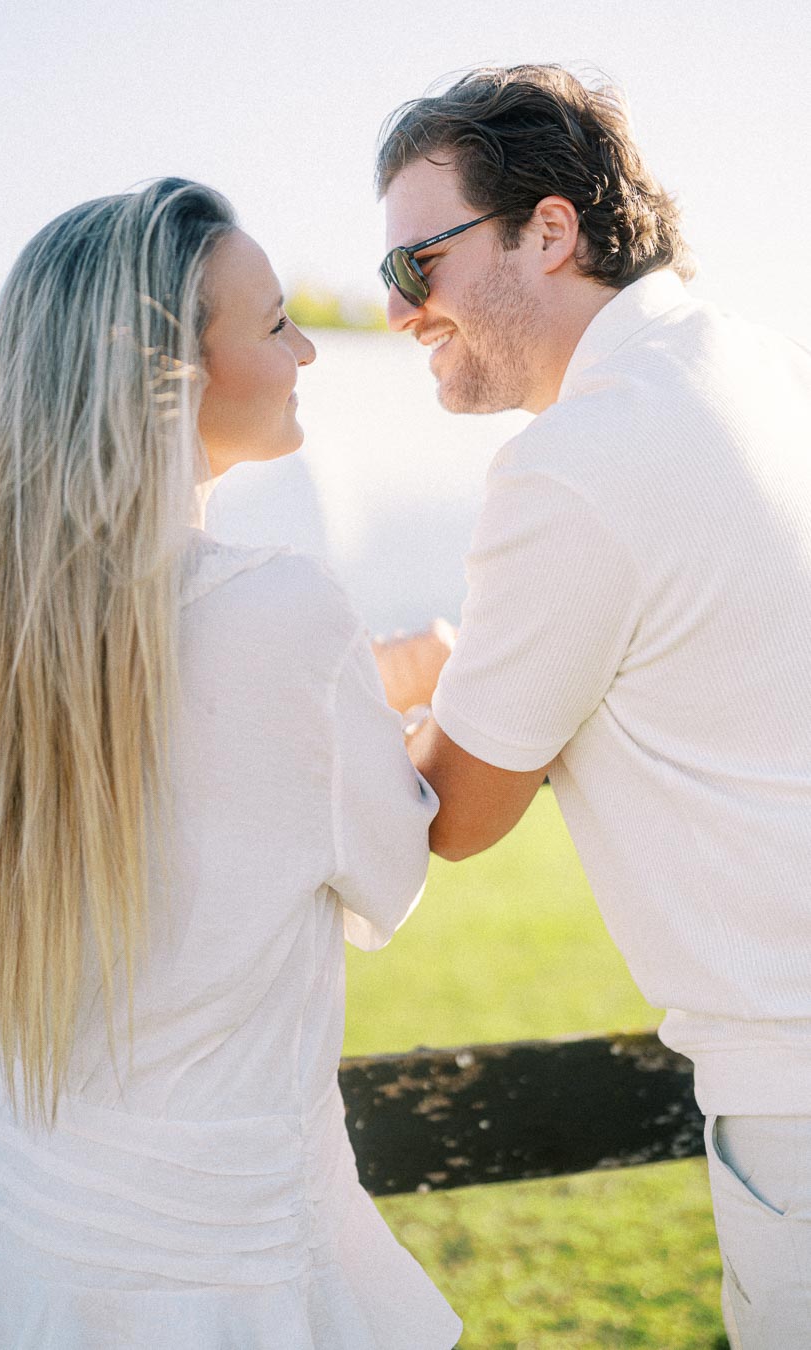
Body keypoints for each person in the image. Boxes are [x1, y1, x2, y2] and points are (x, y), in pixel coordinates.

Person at [0, 178, 461, 1349]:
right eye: (273, 325)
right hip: (231, 1281)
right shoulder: (291, 611)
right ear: (173, 373)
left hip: (7, 1259)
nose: (310, 347)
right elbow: (390, 880)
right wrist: (414, 705)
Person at [373, 64, 811, 1348]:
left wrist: (381, 697)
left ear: (550, 230)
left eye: (419, 266)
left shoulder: (576, 461)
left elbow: (451, 818)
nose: (402, 313)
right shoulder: (759, 369)